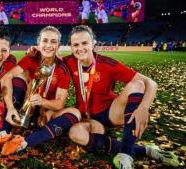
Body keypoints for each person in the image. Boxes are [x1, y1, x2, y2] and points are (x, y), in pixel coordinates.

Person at [63, 25, 179, 168]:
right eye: (76, 44)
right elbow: (48, 60)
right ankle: (146, 150)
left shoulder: (108, 64)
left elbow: (151, 83)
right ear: (71, 47)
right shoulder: (68, 61)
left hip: (111, 113)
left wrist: (143, 107)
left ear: (93, 42)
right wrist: (34, 51)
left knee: (137, 84)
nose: (80, 48)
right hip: (87, 117)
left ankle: (126, 154)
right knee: (75, 134)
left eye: (85, 43)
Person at [0, 26, 81, 156]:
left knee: (75, 113)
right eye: (45, 41)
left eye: (53, 41)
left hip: (46, 115)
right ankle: (4, 132)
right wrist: (11, 108)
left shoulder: (63, 69)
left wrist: (42, 101)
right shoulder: (31, 59)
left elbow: (60, 104)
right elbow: (7, 77)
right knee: (18, 77)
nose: (48, 45)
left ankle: (24, 142)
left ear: (58, 45)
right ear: (38, 43)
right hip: (25, 111)